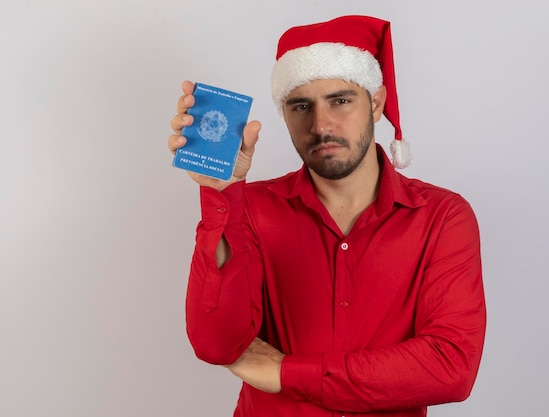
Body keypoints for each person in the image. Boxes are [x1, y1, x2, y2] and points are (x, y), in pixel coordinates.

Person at [168, 15, 486, 417]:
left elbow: (451, 367)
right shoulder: (251, 207)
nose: (320, 125)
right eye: (301, 106)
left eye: (340, 100)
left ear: (375, 101)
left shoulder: (441, 217)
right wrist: (220, 196)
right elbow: (216, 343)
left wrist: (286, 372)